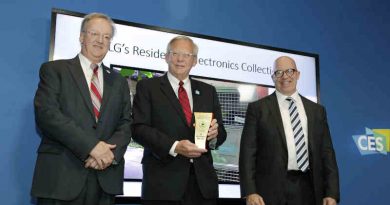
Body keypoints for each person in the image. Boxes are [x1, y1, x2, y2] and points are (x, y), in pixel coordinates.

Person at [31, 13, 132, 205]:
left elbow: (126, 123)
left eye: (106, 37)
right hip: (61, 178)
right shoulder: (54, 70)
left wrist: (109, 154)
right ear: (81, 37)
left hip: (105, 179)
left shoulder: (119, 81)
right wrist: (91, 147)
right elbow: (47, 115)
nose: (100, 41)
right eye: (94, 33)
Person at [131, 36, 227, 205]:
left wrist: (214, 135)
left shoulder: (208, 91)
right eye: (175, 53)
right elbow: (139, 128)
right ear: (166, 56)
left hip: (202, 187)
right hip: (162, 186)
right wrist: (175, 146)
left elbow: (221, 133)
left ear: (194, 61)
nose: (180, 59)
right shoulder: (148, 87)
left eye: (187, 55)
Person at [239, 56, 340, 205]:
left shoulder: (317, 111)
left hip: (310, 189)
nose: (285, 76)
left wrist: (331, 192)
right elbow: (247, 153)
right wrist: (250, 191)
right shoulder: (258, 109)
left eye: (289, 71)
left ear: (297, 74)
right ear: (273, 77)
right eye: (278, 72)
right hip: (269, 192)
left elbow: (327, 153)